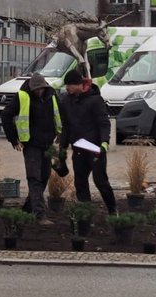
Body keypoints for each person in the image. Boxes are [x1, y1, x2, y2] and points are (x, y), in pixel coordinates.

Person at [0, 72, 61, 224]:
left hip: (47, 143)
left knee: (44, 176)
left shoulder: (52, 96)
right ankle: (40, 214)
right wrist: (13, 139)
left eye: (41, 89)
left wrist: (61, 134)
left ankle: (28, 208)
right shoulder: (22, 96)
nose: (39, 92)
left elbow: (60, 115)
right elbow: (6, 115)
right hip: (31, 144)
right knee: (34, 178)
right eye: (36, 89)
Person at [59, 69, 116, 215]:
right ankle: (86, 214)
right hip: (78, 148)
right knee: (80, 182)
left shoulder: (95, 100)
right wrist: (62, 147)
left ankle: (113, 211)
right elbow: (66, 126)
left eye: (70, 85)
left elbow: (104, 123)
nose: (67, 88)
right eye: (66, 85)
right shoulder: (66, 101)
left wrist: (104, 142)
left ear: (79, 84)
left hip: (95, 148)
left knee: (100, 181)